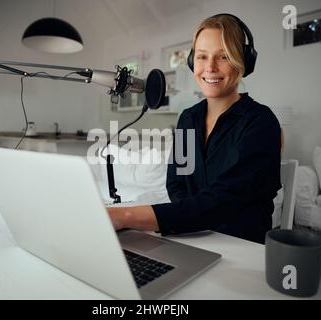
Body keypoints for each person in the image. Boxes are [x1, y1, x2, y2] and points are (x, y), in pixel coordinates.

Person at [107, 14, 281, 244]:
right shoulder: (189, 118)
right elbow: (176, 183)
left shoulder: (261, 122)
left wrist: (127, 215)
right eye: (202, 56)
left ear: (243, 62)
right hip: (193, 236)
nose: (210, 67)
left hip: (241, 247)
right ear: (191, 62)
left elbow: (224, 200)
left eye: (224, 56)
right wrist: (190, 220)